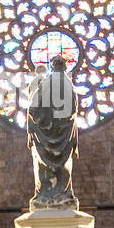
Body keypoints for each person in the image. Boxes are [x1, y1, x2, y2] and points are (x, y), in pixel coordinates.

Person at [26, 55, 79, 209]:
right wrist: (63, 121)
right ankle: (64, 197)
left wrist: (42, 123)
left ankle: (44, 196)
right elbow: (73, 109)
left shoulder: (47, 83)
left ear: (52, 67)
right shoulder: (69, 85)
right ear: (65, 68)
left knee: (43, 166)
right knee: (65, 166)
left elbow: (33, 108)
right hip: (65, 135)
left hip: (45, 134)